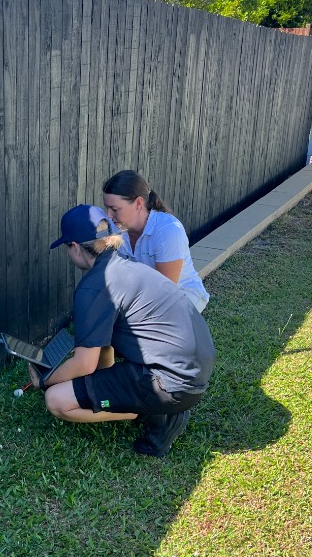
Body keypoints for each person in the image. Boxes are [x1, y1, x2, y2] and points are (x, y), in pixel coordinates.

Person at [29, 205, 216, 457]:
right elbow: (103, 349)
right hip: (194, 371)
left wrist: (44, 379)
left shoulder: (95, 286)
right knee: (92, 382)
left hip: (171, 383)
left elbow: (84, 364)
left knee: (56, 400)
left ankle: (156, 412)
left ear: (74, 246)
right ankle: (155, 403)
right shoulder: (127, 265)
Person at [102, 169, 209, 312]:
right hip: (144, 294)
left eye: (114, 209)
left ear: (139, 203)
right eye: (107, 208)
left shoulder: (168, 230)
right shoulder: (117, 228)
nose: (108, 215)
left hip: (183, 297)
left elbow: (165, 293)